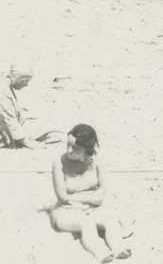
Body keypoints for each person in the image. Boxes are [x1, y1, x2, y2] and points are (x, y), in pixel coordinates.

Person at [49, 124, 132, 261]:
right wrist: (90, 199)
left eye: (75, 148)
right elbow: (62, 196)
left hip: (93, 208)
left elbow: (102, 190)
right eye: (67, 145)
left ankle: (118, 249)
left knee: (110, 221)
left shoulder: (97, 161)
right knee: (86, 223)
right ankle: (100, 253)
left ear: (87, 150)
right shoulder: (59, 162)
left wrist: (86, 200)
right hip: (67, 210)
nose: (69, 150)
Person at [1, 65, 58, 149]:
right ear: (18, 78)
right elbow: (9, 119)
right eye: (26, 81)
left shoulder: (6, 85)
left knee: (53, 132)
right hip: (7, 132)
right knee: (54, 135)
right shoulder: (3, 91)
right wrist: (27, 142)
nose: (27, 84)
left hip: (14, 128)